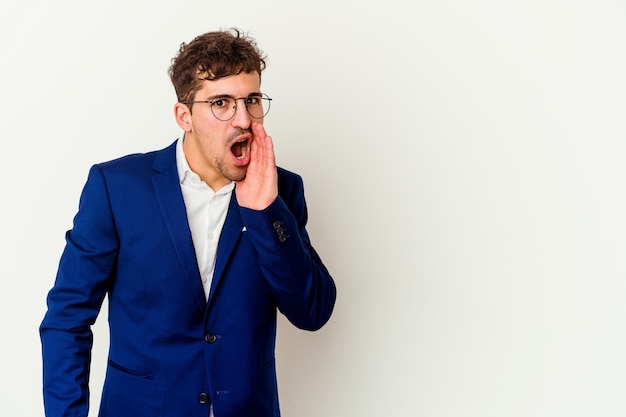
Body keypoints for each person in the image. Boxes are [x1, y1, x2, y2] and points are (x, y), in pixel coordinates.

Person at [39, 28, 336, 417]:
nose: (243, 119)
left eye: (252, 100)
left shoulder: (283, 192)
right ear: (185, 116)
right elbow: (67, 319)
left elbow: (312, 312)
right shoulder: (116, 189)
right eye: (222, 103)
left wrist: (265, 212)